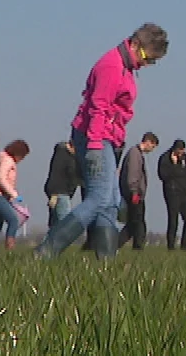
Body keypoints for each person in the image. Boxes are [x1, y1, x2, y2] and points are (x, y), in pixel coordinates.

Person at [37, 23, 170, 259]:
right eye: (147, 58)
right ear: (136, 44)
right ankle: (47, 250)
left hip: (108, 139)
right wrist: (96, 146)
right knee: (98, 199)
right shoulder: (112, 65)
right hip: (94, 137)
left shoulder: (126, 67)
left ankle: (106, 263)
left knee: (110, 202)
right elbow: (98, 107)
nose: (146, 64)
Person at [0, 140, 31, 249]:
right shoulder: (7, 161)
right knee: (13, 220)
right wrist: (14, 194)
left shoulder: (3, 159)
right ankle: (10, 247)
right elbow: (1, 179)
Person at [117, 131, 159, 250]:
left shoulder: (136, 153)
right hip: (134, 194)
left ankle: (114, 245)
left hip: (134, 193)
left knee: (132, 224)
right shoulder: (135, 154)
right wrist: (134, 191)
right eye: (152, 146)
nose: (152, 149)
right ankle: (137, 248)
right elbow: (133, 174)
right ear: (148, 142)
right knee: (139, 224)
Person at [156, 139, 186, 249]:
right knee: (173, 219)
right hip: (171, 191)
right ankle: (171, 245)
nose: (181, 153)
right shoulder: (165, 158)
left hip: (183, 191)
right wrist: (175, 165)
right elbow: (163, 176)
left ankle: (185, 245)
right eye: (179, 151)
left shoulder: (184, 158)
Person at [43, 140, 80, 230]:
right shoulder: (63, 155)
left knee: (55, 226)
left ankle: (49, 243)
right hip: (60, 193)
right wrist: (54, 193)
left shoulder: (63, 154)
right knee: (64, 226)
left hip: (59, 193)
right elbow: (56, 174)